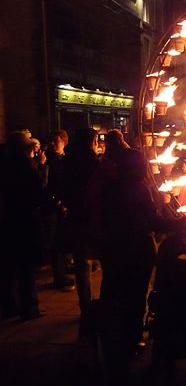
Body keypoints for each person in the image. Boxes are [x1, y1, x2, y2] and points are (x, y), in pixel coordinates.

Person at [96, 148, 185, 383]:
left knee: (115, 290)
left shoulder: (110, 186)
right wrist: (179, 224)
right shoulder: (138, 187)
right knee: (135, 294)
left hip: (113, 246)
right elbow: (151, 220)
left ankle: (110, 338)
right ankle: (131, 339)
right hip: (135, 247)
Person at [0, 131, 46, 320]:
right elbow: (38, 194)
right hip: (25, 220)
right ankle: (29, 307)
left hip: (7, 220)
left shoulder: (4, 166)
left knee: (8, 267)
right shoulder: (28, 167)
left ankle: (10, 305)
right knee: (26, 267)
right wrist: (41, 167)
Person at [60, 128, 101, 334]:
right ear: (92, 141)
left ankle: (85, 306)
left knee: (81, 264)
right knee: (101, 258)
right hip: (92, 217)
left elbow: (60, 187)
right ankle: (100, 306)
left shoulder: (66, 161)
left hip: (75, 216)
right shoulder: (94, 164)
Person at [44, 130, 75, 291]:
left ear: (64, 142)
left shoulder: (66, 160)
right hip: (53, 206)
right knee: (55, 240)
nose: (53, 144)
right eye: (52, 141)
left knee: (62, 238)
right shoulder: (49, 161)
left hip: (64, 204)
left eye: (57, 141)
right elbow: (47, 185)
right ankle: (59, 276)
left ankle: (64, 269)